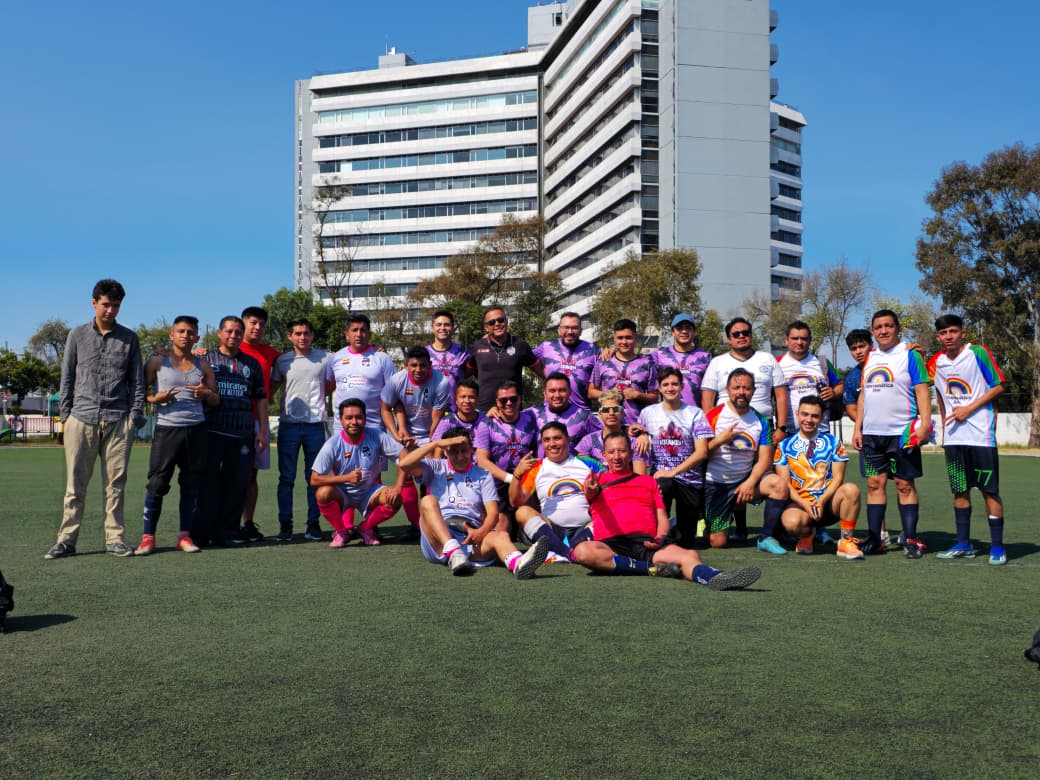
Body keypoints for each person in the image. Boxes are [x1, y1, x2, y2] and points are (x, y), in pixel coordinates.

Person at [570, 433, 763, 590]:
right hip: (610, 545)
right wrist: (591, 490)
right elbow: (589, 494)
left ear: (630, 453)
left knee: (689, 556)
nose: (617, 456)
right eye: (611, 452)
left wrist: (660, 537)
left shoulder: (647, 482)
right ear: (604, 456)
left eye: (622, 451)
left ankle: (716, 578)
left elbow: (661, 516)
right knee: (583, 552)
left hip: (646, 544)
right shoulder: (596, 481)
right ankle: (650, 569)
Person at [46, 279, 145, 559]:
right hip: (81, 417)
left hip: (118, 420)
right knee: (75, 485)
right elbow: (67, 377)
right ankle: (66, 540)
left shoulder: (129, 338)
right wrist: (66, 416)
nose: (110, 310)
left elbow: (137, 382)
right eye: (106, 304)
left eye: (116, 305)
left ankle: (115, 538)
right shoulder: (76, 335)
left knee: (116, 484)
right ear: (94, 303)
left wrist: (133, 417)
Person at [398, 428, 550, 579]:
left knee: (501, 535)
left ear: (472, 450)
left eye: (464, 451)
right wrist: (436, 444)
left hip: (470, 536)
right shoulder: (435, 467)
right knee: (428, 500)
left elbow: (493, 513)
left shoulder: (483, 474)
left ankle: (519, 564)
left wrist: (481, 532)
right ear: (445, 452)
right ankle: (454, 552)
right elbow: (404, 464)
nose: (460, 456)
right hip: (438, 539)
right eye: (454, 452)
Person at [927, 314, 1007, 565]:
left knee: (989, 491)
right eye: (943, 333)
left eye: (953, 331)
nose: (948, 336)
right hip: (954, 439)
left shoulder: (978, 353)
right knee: (959, 490)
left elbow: (998, 385)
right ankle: (964, 544)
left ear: (962, 332)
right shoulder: (935, 362)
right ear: (938, 337)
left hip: (980, 436)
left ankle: (997, 547)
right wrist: (944, 427)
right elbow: (938, 393)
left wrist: (968, 409)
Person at [852, 309, 932, 558]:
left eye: (888, 326)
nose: (883, 331)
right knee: (874, 484)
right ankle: (876, 539)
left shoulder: (909, 354)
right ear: (873, 331)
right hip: (872, 435)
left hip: (902, 433)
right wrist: (857, 428)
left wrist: (925, 424)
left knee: (904, 484)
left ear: (898, 328)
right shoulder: (870, 357)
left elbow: (922, 390)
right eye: (878, 327)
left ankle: (910, 538)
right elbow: (863, 395)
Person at [135, 316, 219, 556]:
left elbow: (216, 399)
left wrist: (206, 394)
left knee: (191, 484)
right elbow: (140, 393)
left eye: (190, 332)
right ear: (171, 335)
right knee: (157, 484)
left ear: (197, 337)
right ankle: (148, 538)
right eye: (181, 331)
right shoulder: (157, 361)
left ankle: (184, 536)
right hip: (167, 429)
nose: (185, 335)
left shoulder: (203, 365)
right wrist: (155, 399)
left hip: (196, 430)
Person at [701, 317, 789, 542]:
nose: (741, 336)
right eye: (736, 333)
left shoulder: (766, 359)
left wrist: (781, 427)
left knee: (769, 477)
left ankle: (770, 533)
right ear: (729, 338)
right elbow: (707, 398)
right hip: (724, 432)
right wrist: (712, 434)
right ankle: (733, 525)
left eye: (745, 332)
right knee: (717, 542)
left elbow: (780, 394)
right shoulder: (718, 363)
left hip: (760, 428)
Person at [197, 316, 267, 547]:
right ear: (219, 333)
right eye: (229, 331)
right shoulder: (204, 358)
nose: (233, 335)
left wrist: (262, 430)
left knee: (237, 485)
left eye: (238, 332)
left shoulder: (251, 364)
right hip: (211, 431)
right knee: (208, 484)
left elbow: (260, 399)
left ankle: (228, 532)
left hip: (242, 433)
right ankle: (202, 532)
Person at [771, 395, 864, 559]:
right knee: (791, 522)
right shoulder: (784, 445)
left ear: (821, 418)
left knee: (851, 490)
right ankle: (807, 534)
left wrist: (821, 501)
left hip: (828, 504)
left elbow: (838, 478)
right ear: (797, 414)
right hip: (800, 505)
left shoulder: (833, 442)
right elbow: (785, 484)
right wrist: (804, 504)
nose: (809, 420)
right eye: (805, 414)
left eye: (814, 416)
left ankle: (845, 541)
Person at [631, 367, 713, 548]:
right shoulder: (648, 413)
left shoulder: (695, 413)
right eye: (665, 384)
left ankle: (676, 527)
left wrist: (673, 471)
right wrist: (641, 434)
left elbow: (702, 452)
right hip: (662, 478)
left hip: (690, 479)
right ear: (659, 388)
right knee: (662, 486)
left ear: (682, 386)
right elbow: (638, 443)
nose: (670, 388)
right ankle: (659, 528)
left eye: (674, 384)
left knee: (686, 543)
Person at [310, 399, 406, 548]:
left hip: (369, 492)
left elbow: (404, 454)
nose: (354, 422)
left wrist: (398, 486)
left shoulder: (376, 436)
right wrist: (346, 478)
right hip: (343, 493)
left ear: (365, 419)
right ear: (341, 421)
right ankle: (341, 531)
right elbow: (314, 479)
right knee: (322, 493)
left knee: (395, 499)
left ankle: (366, 528)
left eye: (358, 417)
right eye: (349, 418)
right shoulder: (332, 444)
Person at [270, 317, 331, 543]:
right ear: (290, 336)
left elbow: (347, 361)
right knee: (286, 478)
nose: (302, 337)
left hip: (315, 426)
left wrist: (375, 349)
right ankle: (285, 526)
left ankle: (313, 525)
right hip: (289, 426)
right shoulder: (282, 361)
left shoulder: (326, 358)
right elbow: (271, 388)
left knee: (314, 478)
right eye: (297, 333)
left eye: (306, 333)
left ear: (312, 335)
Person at [381, 346, 452, 534]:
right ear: (406, 365)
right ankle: (416, 524)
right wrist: (398, 435)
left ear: (430, 365)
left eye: (422, 365)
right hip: (405, 435)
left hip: (431, 434)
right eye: (413, 365)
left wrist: (429, 446)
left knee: (432, 476)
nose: (418, 369)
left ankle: (433, 522)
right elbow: (385, 408)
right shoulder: (396, 381)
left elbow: (436, 419)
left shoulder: (442, 382)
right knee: (405, 474)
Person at [509, 422, 601, 559]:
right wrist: (517, 474)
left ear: (568, 439)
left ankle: (560, 552)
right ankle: (566, 552)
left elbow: (612, 491)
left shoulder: (589, 463)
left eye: (557, 438)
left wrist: (596, 492)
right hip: (551, 531)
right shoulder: (536, 468)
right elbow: (515, 502)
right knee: (522, 512)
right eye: (546, 440)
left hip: (586, 527)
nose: (552, 444)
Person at [238, 306, 282, 543]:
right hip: (233, 421)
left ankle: (247, 523)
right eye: (253, 322)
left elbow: (296, 359)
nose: (257, 327)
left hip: (258, 420)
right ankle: (226, 523)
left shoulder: (269, 352)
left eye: (262, 324)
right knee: (230, 474)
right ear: (243, 323)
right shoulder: (230, 347)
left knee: (250, 475)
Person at [473, 380, 540, 529]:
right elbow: (482, 461)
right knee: (500, 527)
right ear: (497, 402)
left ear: (520, 399)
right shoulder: (486, 424)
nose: (509, 403)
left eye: (513, 399)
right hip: (499, 485)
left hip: (527, 483)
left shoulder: (531, 417)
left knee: (536, 523)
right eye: (503, 400)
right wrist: (512, 478)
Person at [325, 313, 396, 432]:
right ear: (347, 335)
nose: (358, 334)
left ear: (369, 334)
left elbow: (395, 393)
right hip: (342, 428)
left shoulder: (382, 358)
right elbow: (327, 388)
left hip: (374, 427)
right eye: (354, 330)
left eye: (363, 330)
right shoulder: (335, 358)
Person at [468, 307, 543, 412]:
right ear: (486, 327)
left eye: (501, 320)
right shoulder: (477, 346)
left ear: (506, 322)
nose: (497, 324)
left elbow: (542, 371)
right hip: (484, 411)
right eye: (492, 322)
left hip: (512, 410)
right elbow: (463, 374)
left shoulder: (520, 345)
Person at [776, 320, 842, 434]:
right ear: (786, 340)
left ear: (810, 340)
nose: (799, 342)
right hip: (788, 432)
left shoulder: (822, 362)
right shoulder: (776, 364)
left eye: (804, 338)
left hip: (820, 431)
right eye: (795, 338)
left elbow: (840, 385)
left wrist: (834, 392)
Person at [589, 319, 657, 425]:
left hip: (637, 425)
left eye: (628, 337)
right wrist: (610, 394)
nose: (624, 342)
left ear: (635, 338)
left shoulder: (647, 363)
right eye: (620, 338)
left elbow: (655, 398)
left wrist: (637, 395)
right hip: (609, 426)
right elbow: (590, 392)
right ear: (614, 339)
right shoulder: (603, 362)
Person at [533, 312, 598, 410]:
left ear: (580, 331)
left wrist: (610, 352)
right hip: (552, 412)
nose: (570, 332)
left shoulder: (593, 350)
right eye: (566, 327)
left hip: (581, 412)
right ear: (559, 330)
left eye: (574, 328)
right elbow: (528, 359)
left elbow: (606, 372)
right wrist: (544, 374)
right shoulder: (547, 346)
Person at [524, 372, 600, 456]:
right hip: (540, 464)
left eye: (562, 390)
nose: (557, 395)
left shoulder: (584, 416)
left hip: (572, 464)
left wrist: (588, 458)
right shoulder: (531, 414)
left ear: (570, 392)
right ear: (545, 393)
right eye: (552, 391)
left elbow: (603, 439)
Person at [575, 390, 647, 474]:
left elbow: (640, 476)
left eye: (616, 409)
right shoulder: (587, 441)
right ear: (600, 414)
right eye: (606, 410)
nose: (611, 413)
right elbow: (581, 473)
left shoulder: (635, 442)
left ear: (622, 412)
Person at [650, 313, 712, 408]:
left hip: (695, 413)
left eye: (688, 328)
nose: (684, 331)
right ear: (673, 332)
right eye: (679, 328)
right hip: (667, 413)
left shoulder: (705, 357)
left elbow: (710, 391)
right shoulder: (659, 355)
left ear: (694, 332)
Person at [426, 310, 470, 411]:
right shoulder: (425, 353)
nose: (442, 328)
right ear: (432, 328)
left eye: (447, 325)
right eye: (438, 325)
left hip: (457, 411)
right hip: (430, 411)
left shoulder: (463, 351)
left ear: (453, 328)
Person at [431, 377, 483, 442]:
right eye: (463, 397)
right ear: (456, 400)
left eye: (471, 397)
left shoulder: (485, 420)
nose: (467, 401)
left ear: (477, 399)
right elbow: (436, 445)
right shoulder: (447, 422)